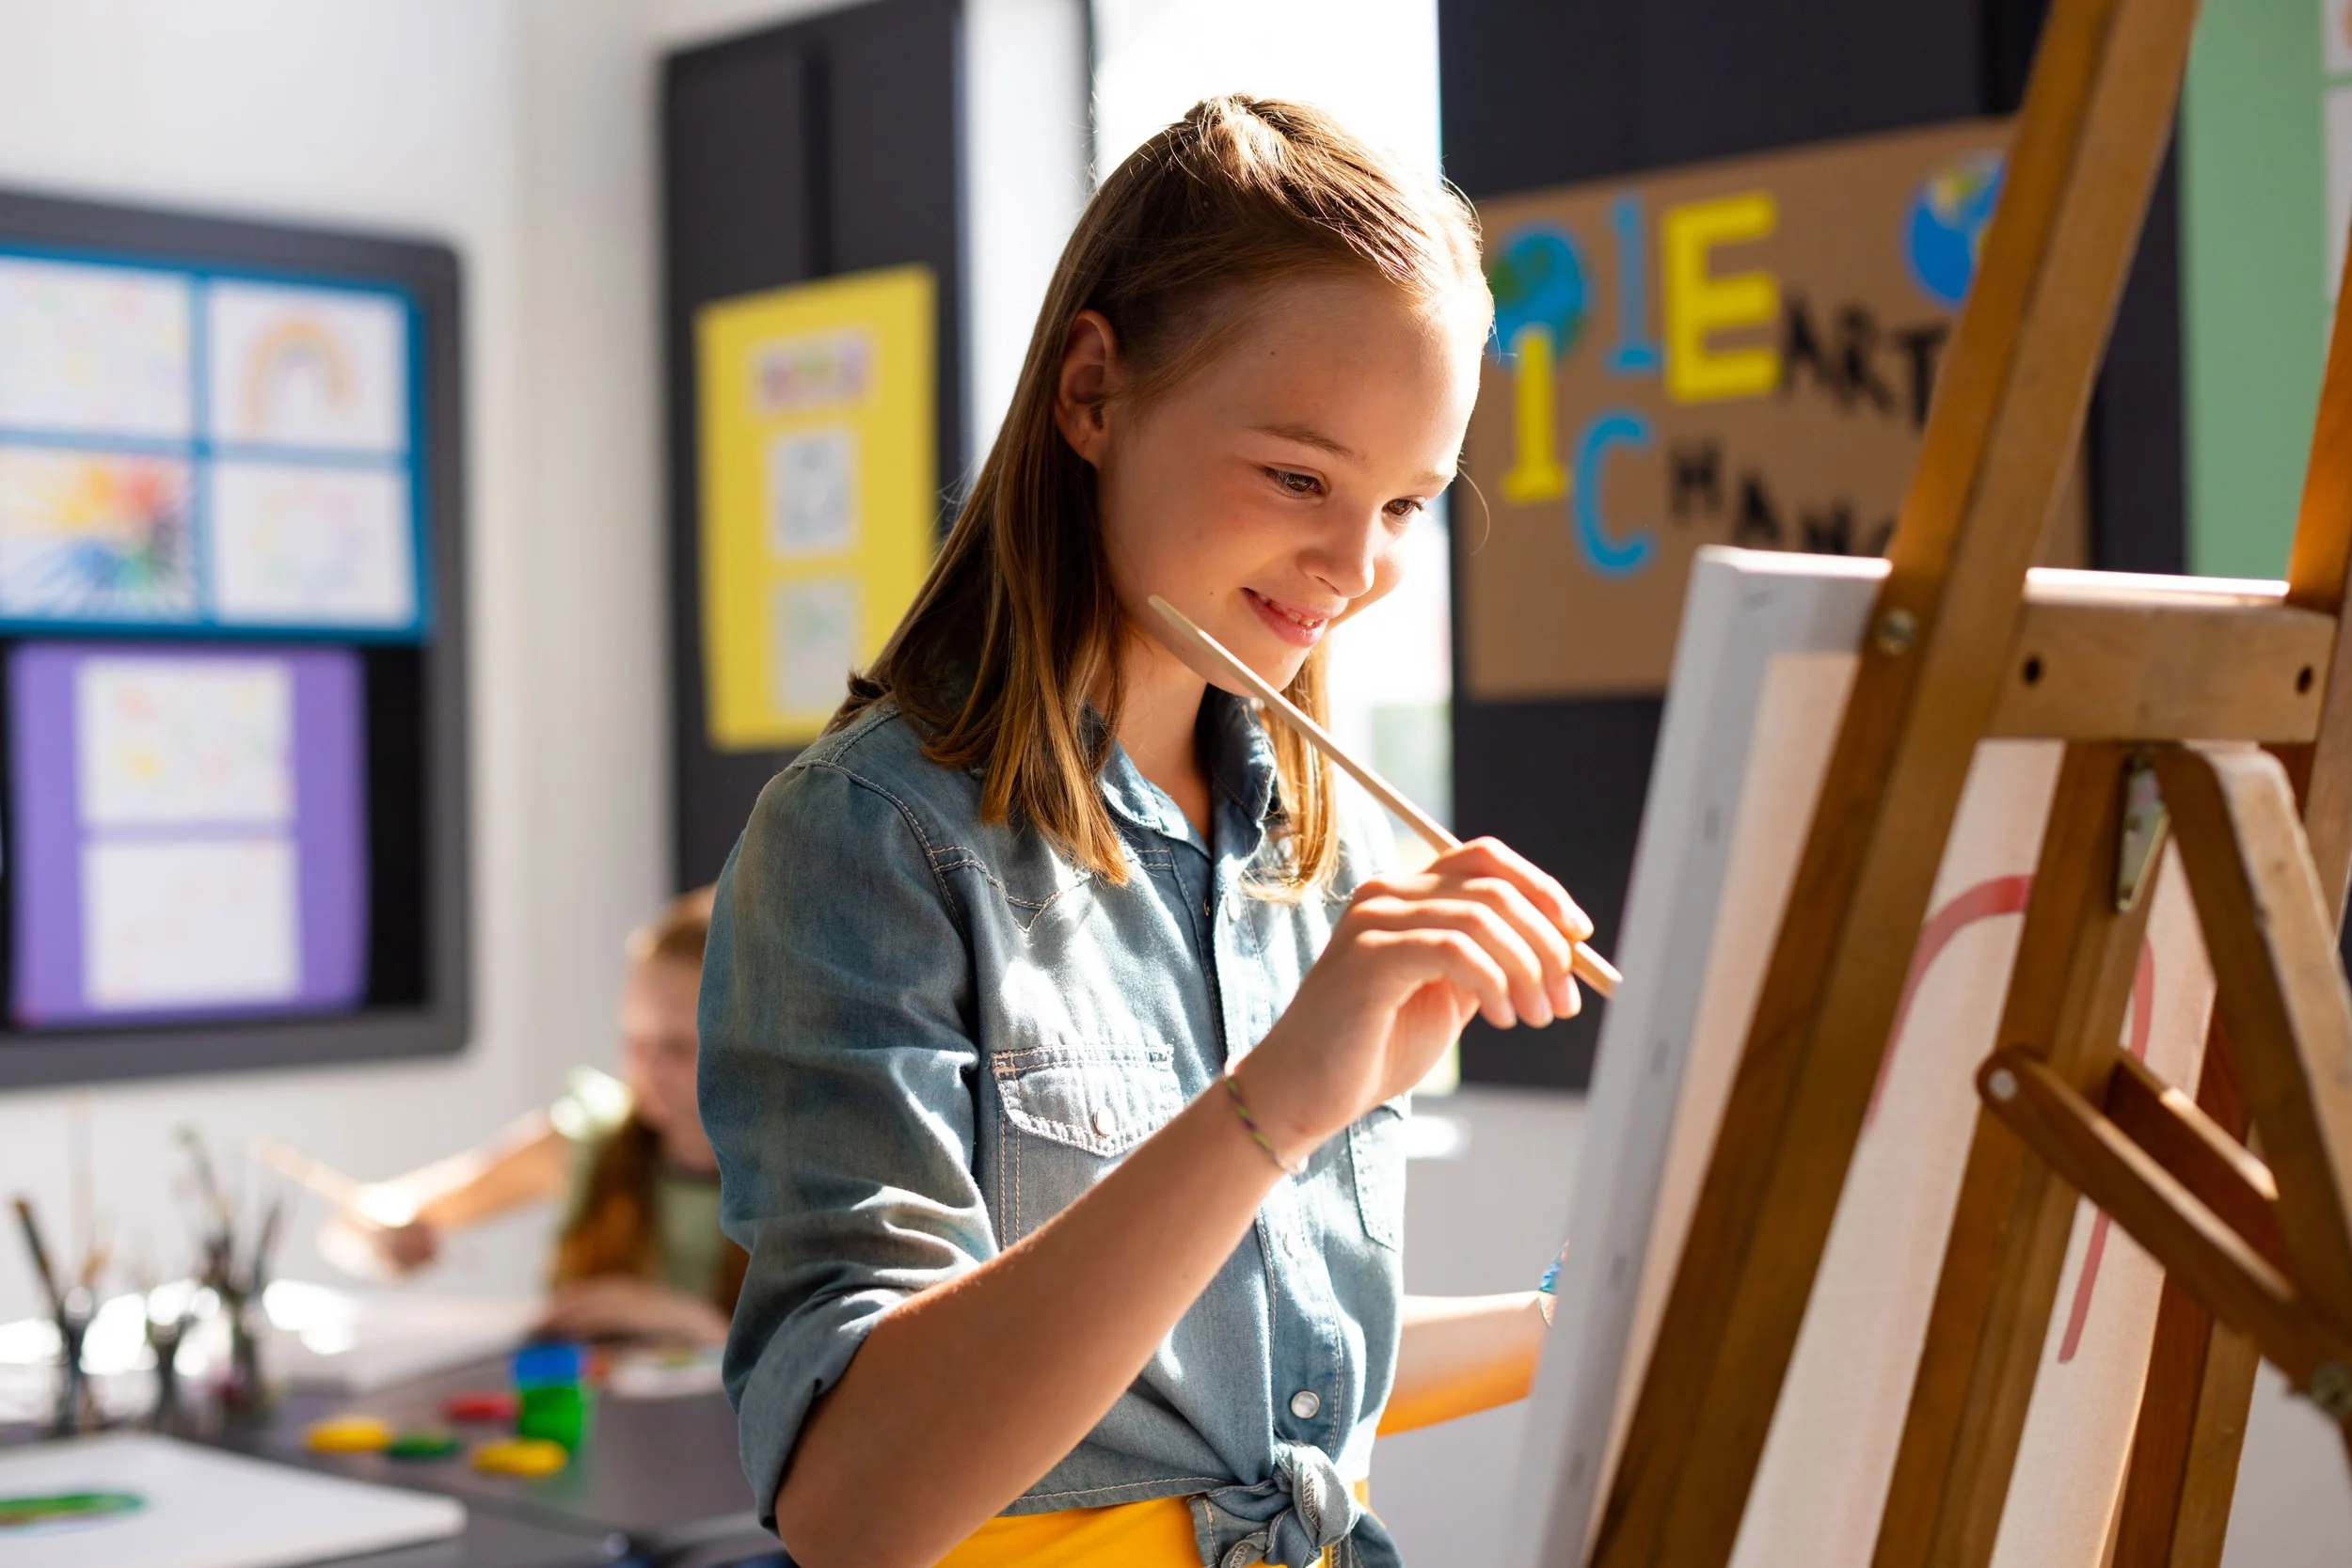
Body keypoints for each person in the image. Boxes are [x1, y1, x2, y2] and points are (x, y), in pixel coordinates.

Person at [699, 97, 1588, 1568]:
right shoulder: (871, 841)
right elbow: (854, 1503)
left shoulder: (1323, 857)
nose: (1355, 564)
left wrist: (1586, 1320)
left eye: (1408, 503)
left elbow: (1233, 1395)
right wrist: (1272, 1105)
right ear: (1094, 390)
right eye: (1301, 476)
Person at [326, 889, 743, 1346]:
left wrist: (689, 1325)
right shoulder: (594, 1141)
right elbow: (358, 1219)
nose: (647, 1068)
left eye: (678, 1046)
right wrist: (382, 1241)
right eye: (633, 1040)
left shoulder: (804, 1176)